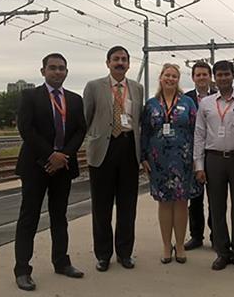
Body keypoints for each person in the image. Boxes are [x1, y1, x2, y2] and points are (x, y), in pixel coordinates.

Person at [14, 53, 87, 291]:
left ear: (67, 72)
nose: (57, 72)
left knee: (60, 216)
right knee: (29, 217)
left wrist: (63, 155)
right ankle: (23, 270)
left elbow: (79, 130)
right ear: (43, 71)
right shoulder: (30, 96)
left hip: (63, 168)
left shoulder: (75, 100)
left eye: (62, 68)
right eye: (53, 68)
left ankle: (61, 262)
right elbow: (26, 129)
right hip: (36, 166)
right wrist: (50, 155)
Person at [193, 60, 234, 271]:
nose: (223, 78)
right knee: (217, 207)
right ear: (215, 77)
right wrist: (199, 165)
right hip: (214, 160)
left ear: (233, 75)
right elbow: (199, 135)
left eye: (226, 74)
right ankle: (222, 252)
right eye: (219, 75)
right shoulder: (206, 104)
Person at [83, 46, 143, 272]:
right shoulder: (93, 86)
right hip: (103, 152)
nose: (120, 63)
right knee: (101, 207)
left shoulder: (137, 88)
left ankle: (125, 253)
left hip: (128, 149)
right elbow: (86, 118)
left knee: (128, 207)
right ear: (107, 63)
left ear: (129, 64)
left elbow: (138, 121)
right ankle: (103, 255)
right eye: (116, 59)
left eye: (124, 59)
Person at [141, 63, 202, 264]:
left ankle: (181, 245)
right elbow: (145, 133)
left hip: (183, 161)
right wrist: (143, 158)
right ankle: (167, 246)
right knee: (164, 203)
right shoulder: (150, 104)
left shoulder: (188, 103)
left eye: (174, 76)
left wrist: (197, 159)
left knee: (182, 203)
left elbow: (197, 132)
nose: (170, 79)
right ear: (161, 77)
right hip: (158, 162)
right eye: (167, 75)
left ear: (178, 80)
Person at [184, 61, 216, 251]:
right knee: (195, 198)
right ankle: (196, 235)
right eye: (198, 75)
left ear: (210, 77)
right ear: (193, 77)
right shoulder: (185, 99)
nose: (202, 78)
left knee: (215, 198)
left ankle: (216, 235)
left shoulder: (218, 97)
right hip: (192, 156)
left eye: (205, 74)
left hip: (213, 154)